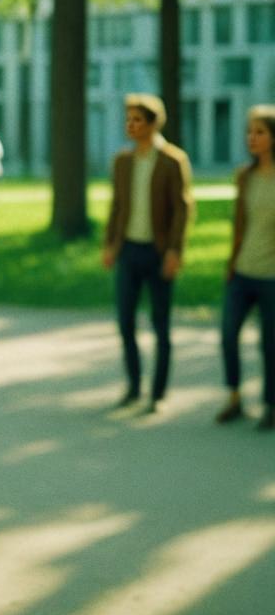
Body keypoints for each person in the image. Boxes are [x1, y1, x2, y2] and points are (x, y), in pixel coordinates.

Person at [102, 93, 193, 414]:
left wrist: (174, 251)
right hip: (128, 251)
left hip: (158, 253)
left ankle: (157, 393)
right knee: (125, 322)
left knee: (160, 325)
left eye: (137, 119)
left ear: (153, 123)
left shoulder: (172, 160)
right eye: (128, 119)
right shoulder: (122, 162)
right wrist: (110, 245)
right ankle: (133, 385)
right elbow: (117, 207)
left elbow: (182, 210)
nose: (131, 125)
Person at [216, 105, 275, 429]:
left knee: (270, 345)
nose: (251, 138)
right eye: (249, 132)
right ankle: (235, 397)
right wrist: (231, 262)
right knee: (228, 335)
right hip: (242, 270)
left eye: (260, 132)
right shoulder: (245, 176)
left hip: (272, 277)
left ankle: (270, 404)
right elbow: (240, 225)